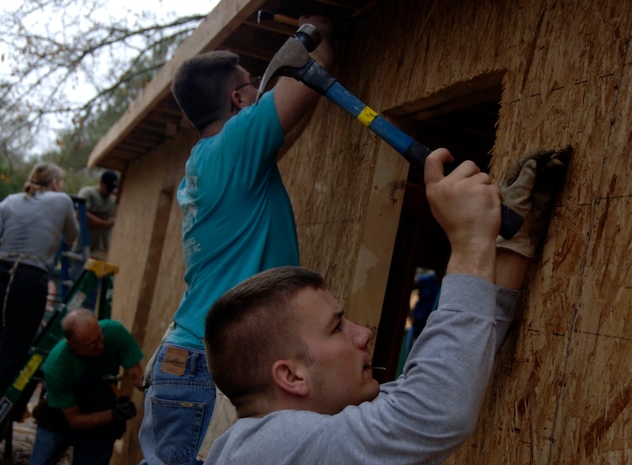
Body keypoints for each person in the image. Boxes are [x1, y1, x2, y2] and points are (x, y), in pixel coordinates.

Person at [202, 146, 570, 464]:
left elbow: (447, 378)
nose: (363, 333)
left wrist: (507, 249)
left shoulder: (284, 443)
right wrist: (470, 241)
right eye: (336, 327)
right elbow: (433, 411)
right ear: (291, 376)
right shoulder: (270, 450)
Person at [138, 15, 336, 465]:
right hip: (204, 371)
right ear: (237, 98)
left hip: (185, 362)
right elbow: (313, 77)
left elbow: (290, 125)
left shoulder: (209, 159)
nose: (258, 93)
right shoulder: (235, 144)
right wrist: (323, 24)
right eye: (252, 86)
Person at [0, 163, 79, 432]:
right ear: (56, 182)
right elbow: (72, 236)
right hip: (29, 280)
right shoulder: (62, 201)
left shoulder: (9, 202)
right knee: (8, 360)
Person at [29, 309, 144, 465]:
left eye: (100, 337)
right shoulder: (57, 366)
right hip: (61, 418)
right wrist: (114, 414)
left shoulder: (114, 332)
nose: (101, 346)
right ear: (73, 346)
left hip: (99, 422)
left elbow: (138, 377)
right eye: (92, 344)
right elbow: (75, 420)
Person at [77, 171, 118, 261]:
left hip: (103, 247)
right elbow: (81, 214)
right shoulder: (88, 193)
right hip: (84, 246)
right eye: (107, 188)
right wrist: (104, 223)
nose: (109, 192)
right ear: (101, 183)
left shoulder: (113, 200)